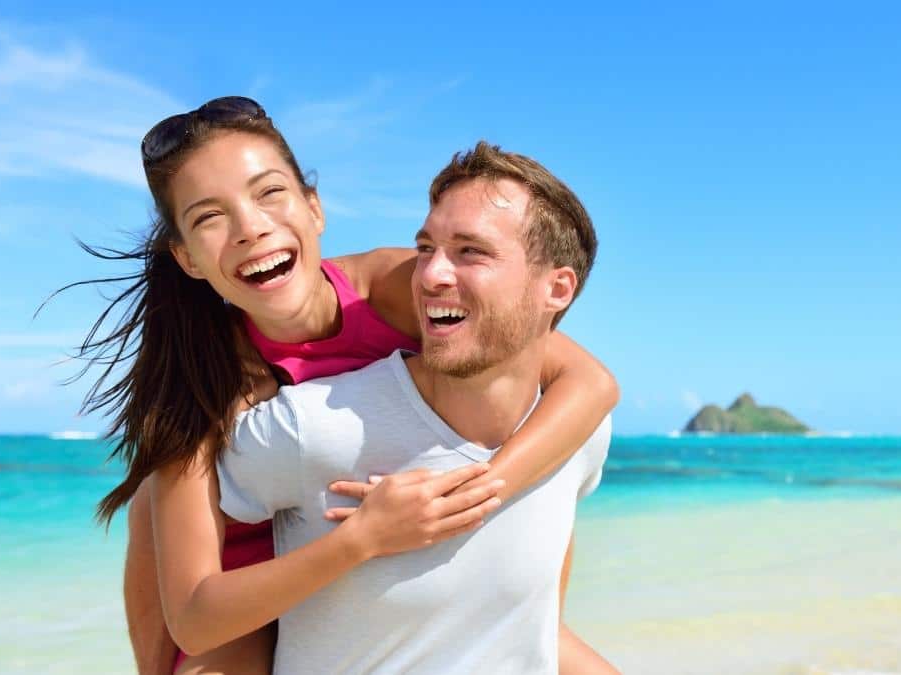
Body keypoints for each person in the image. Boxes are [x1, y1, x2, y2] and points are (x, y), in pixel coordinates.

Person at [62, 97, 617, 673]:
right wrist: (363, 539)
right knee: (152, 506)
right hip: (251, 576)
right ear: (188, 259)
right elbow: (192, 611)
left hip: (398, 538)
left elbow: (589, 382)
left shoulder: (395, 288)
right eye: (209, 218)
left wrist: (475, 493)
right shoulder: (204, 377)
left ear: (315, 208)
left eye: (268, 193)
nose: (250, 228)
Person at [218, 140, 612, 673]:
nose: (429, 274)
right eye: (425, 248)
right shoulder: (308, 429)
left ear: (557, 289)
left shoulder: (578, 433)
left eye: (470, 252)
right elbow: (185, 587)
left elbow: (536, 621)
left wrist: (476, 492)